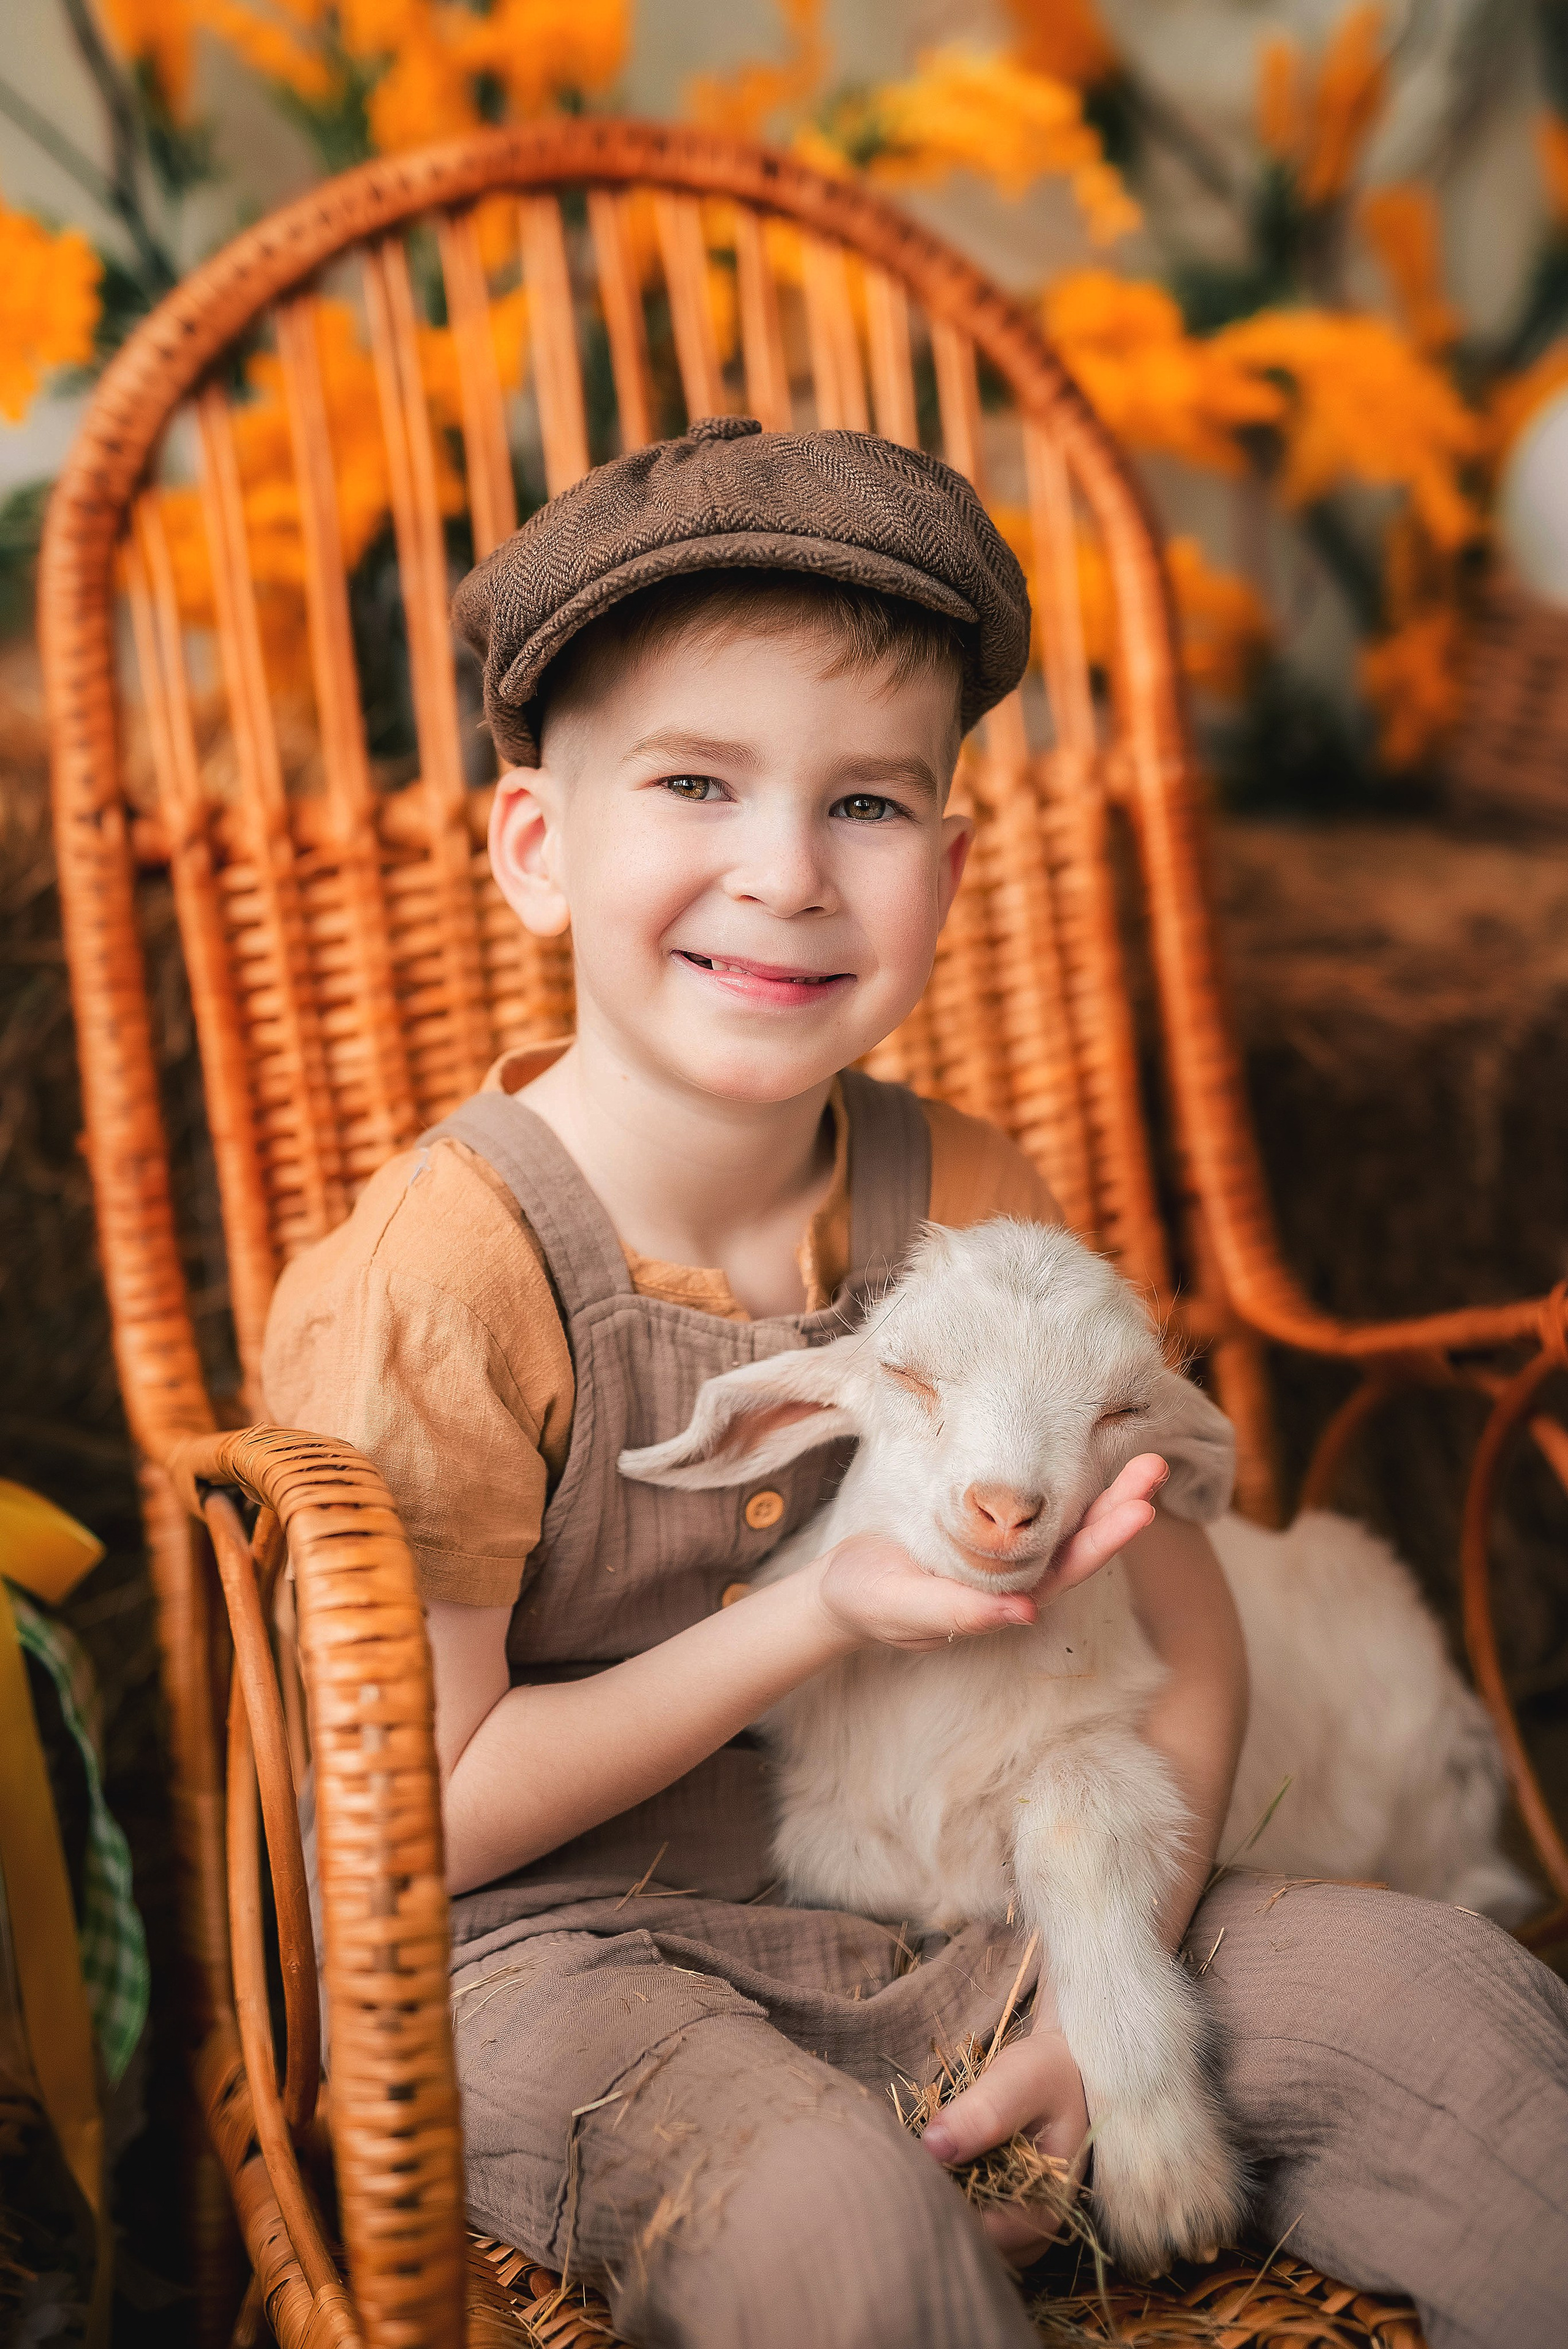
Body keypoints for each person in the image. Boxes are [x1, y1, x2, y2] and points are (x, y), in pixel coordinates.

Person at [265, 416, 1568, 2349]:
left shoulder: (973, 1205)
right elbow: (413, 1822)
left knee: (1455, 2024)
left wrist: (1093, 1977)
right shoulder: (445, 1285)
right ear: (539, 847)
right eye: (699, 782)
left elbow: (1181, 1654)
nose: (785, 874)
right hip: (564, 1961)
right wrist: (812, 1615)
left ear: (949, 867)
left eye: (868, 805)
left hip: (961, 1898)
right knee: (838, 2228)